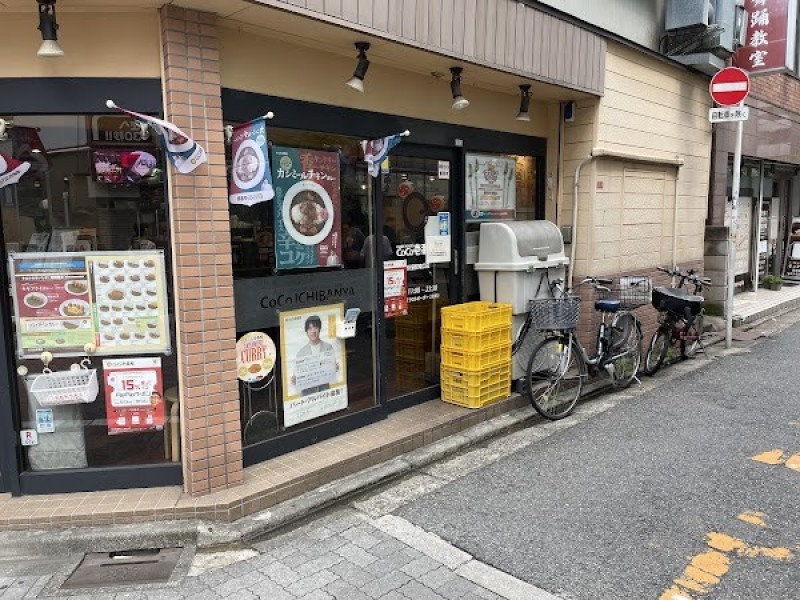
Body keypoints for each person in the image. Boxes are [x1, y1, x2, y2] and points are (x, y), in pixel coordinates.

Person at [290, 315, 339, 395]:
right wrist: (295, 380)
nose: (313, 331)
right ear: (306, 332)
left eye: (315, 327)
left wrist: (335, 368)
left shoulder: (328, 347)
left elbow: (332, 370)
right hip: (308, 394)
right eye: (309, 329)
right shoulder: (301, 353)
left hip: (324, 391)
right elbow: (297, 375)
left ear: (319, 329)